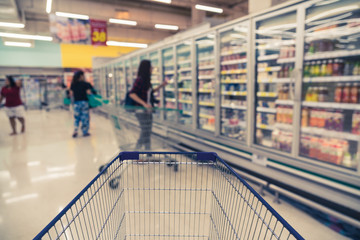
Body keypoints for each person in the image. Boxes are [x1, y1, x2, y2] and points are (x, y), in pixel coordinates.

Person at [129, 60, 167, 150]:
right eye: (151, 67)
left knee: (147, 132)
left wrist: (161, 86)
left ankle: (148, 154)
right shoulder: (139, 80)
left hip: (148, 111)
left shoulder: (146, 80)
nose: (152, 68)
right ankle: (135, 152)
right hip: (141, 110)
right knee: (145, 132)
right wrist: (144, 104)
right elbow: (132, 93)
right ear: (146, 68)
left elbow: (149, 93)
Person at [69, 70, 92, 138]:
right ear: (81, 76)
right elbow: (88, 93)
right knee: (85, 118)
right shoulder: (85, 84)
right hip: (84, 103)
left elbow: (71, 94)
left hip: (76, 103)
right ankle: (85, 132)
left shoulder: (73, 84)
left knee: (76, 118)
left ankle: (75, 130)